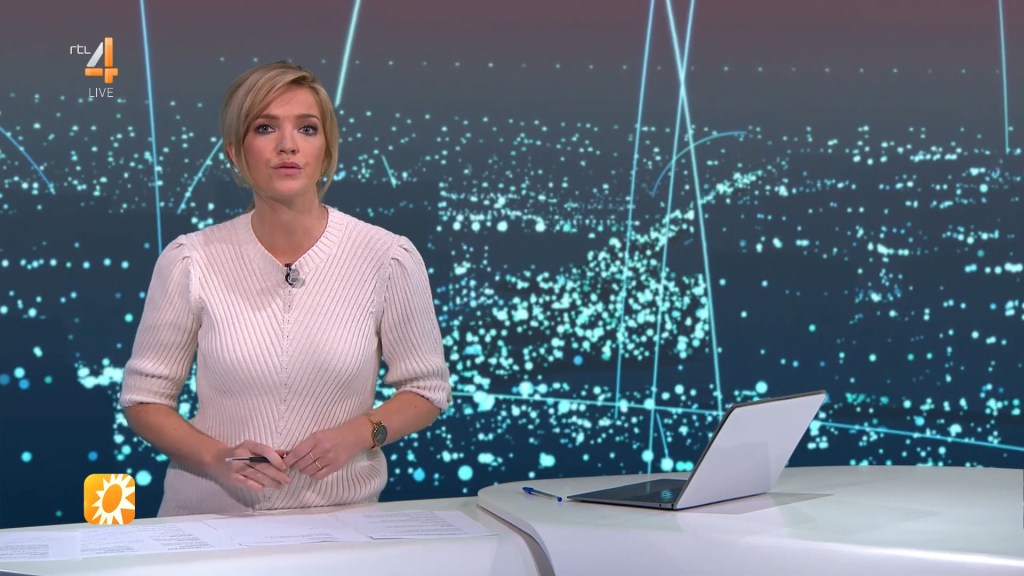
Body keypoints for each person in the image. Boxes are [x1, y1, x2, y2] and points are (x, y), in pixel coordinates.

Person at [120, 61, 451, 516]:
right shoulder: (190, 260)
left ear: (326, 150)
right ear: (235, 152)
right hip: (209, 522)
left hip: (338, 525)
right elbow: (144, 400)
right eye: (265, 128)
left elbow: (427, 390)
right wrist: (218, 459)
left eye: (307, 128)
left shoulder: (388, 258)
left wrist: (359, 435)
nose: (288, 145)